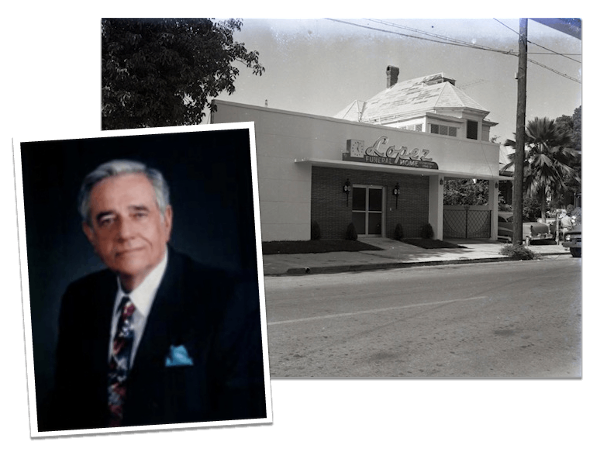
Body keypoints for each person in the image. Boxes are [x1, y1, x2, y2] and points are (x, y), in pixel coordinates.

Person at [50, 159, 266, 430]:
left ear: (166, 220)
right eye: (107, 220)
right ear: (90, 234)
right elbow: (65, 409)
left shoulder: (230, 299)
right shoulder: (79, 299)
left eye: (138, 214)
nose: (125, 233)